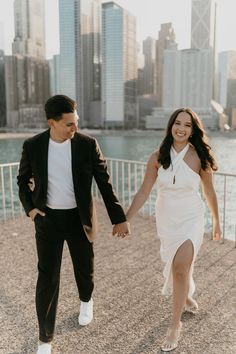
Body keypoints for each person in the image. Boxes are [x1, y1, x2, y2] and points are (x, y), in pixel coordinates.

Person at [17, 95, 130, 354]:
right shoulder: (33, 146)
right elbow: (22, 180)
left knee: (84, 269)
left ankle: (86, 300)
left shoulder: (87, 145)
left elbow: (104, 182)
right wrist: (31, 209)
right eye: (69, 124)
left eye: (76, 122)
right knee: (47, 278)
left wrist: (119, 218)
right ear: (52, 123)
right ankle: (45, 339)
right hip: (48, 220)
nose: (75, 128)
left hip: (80, 220)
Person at [126, 108, 221, 352]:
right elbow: (144, 191)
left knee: (180, 267)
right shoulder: (157, 157)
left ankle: (174, 326)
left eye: (187, 125)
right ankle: (186, 294)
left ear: (193, 130)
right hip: (167, 219)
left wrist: (217, 222)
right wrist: (125, 219)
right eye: (177, 123)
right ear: (170, 126)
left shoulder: (199, 155)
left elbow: (209, 192)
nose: (181, 128)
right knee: (176, 266)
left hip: (191, 217)